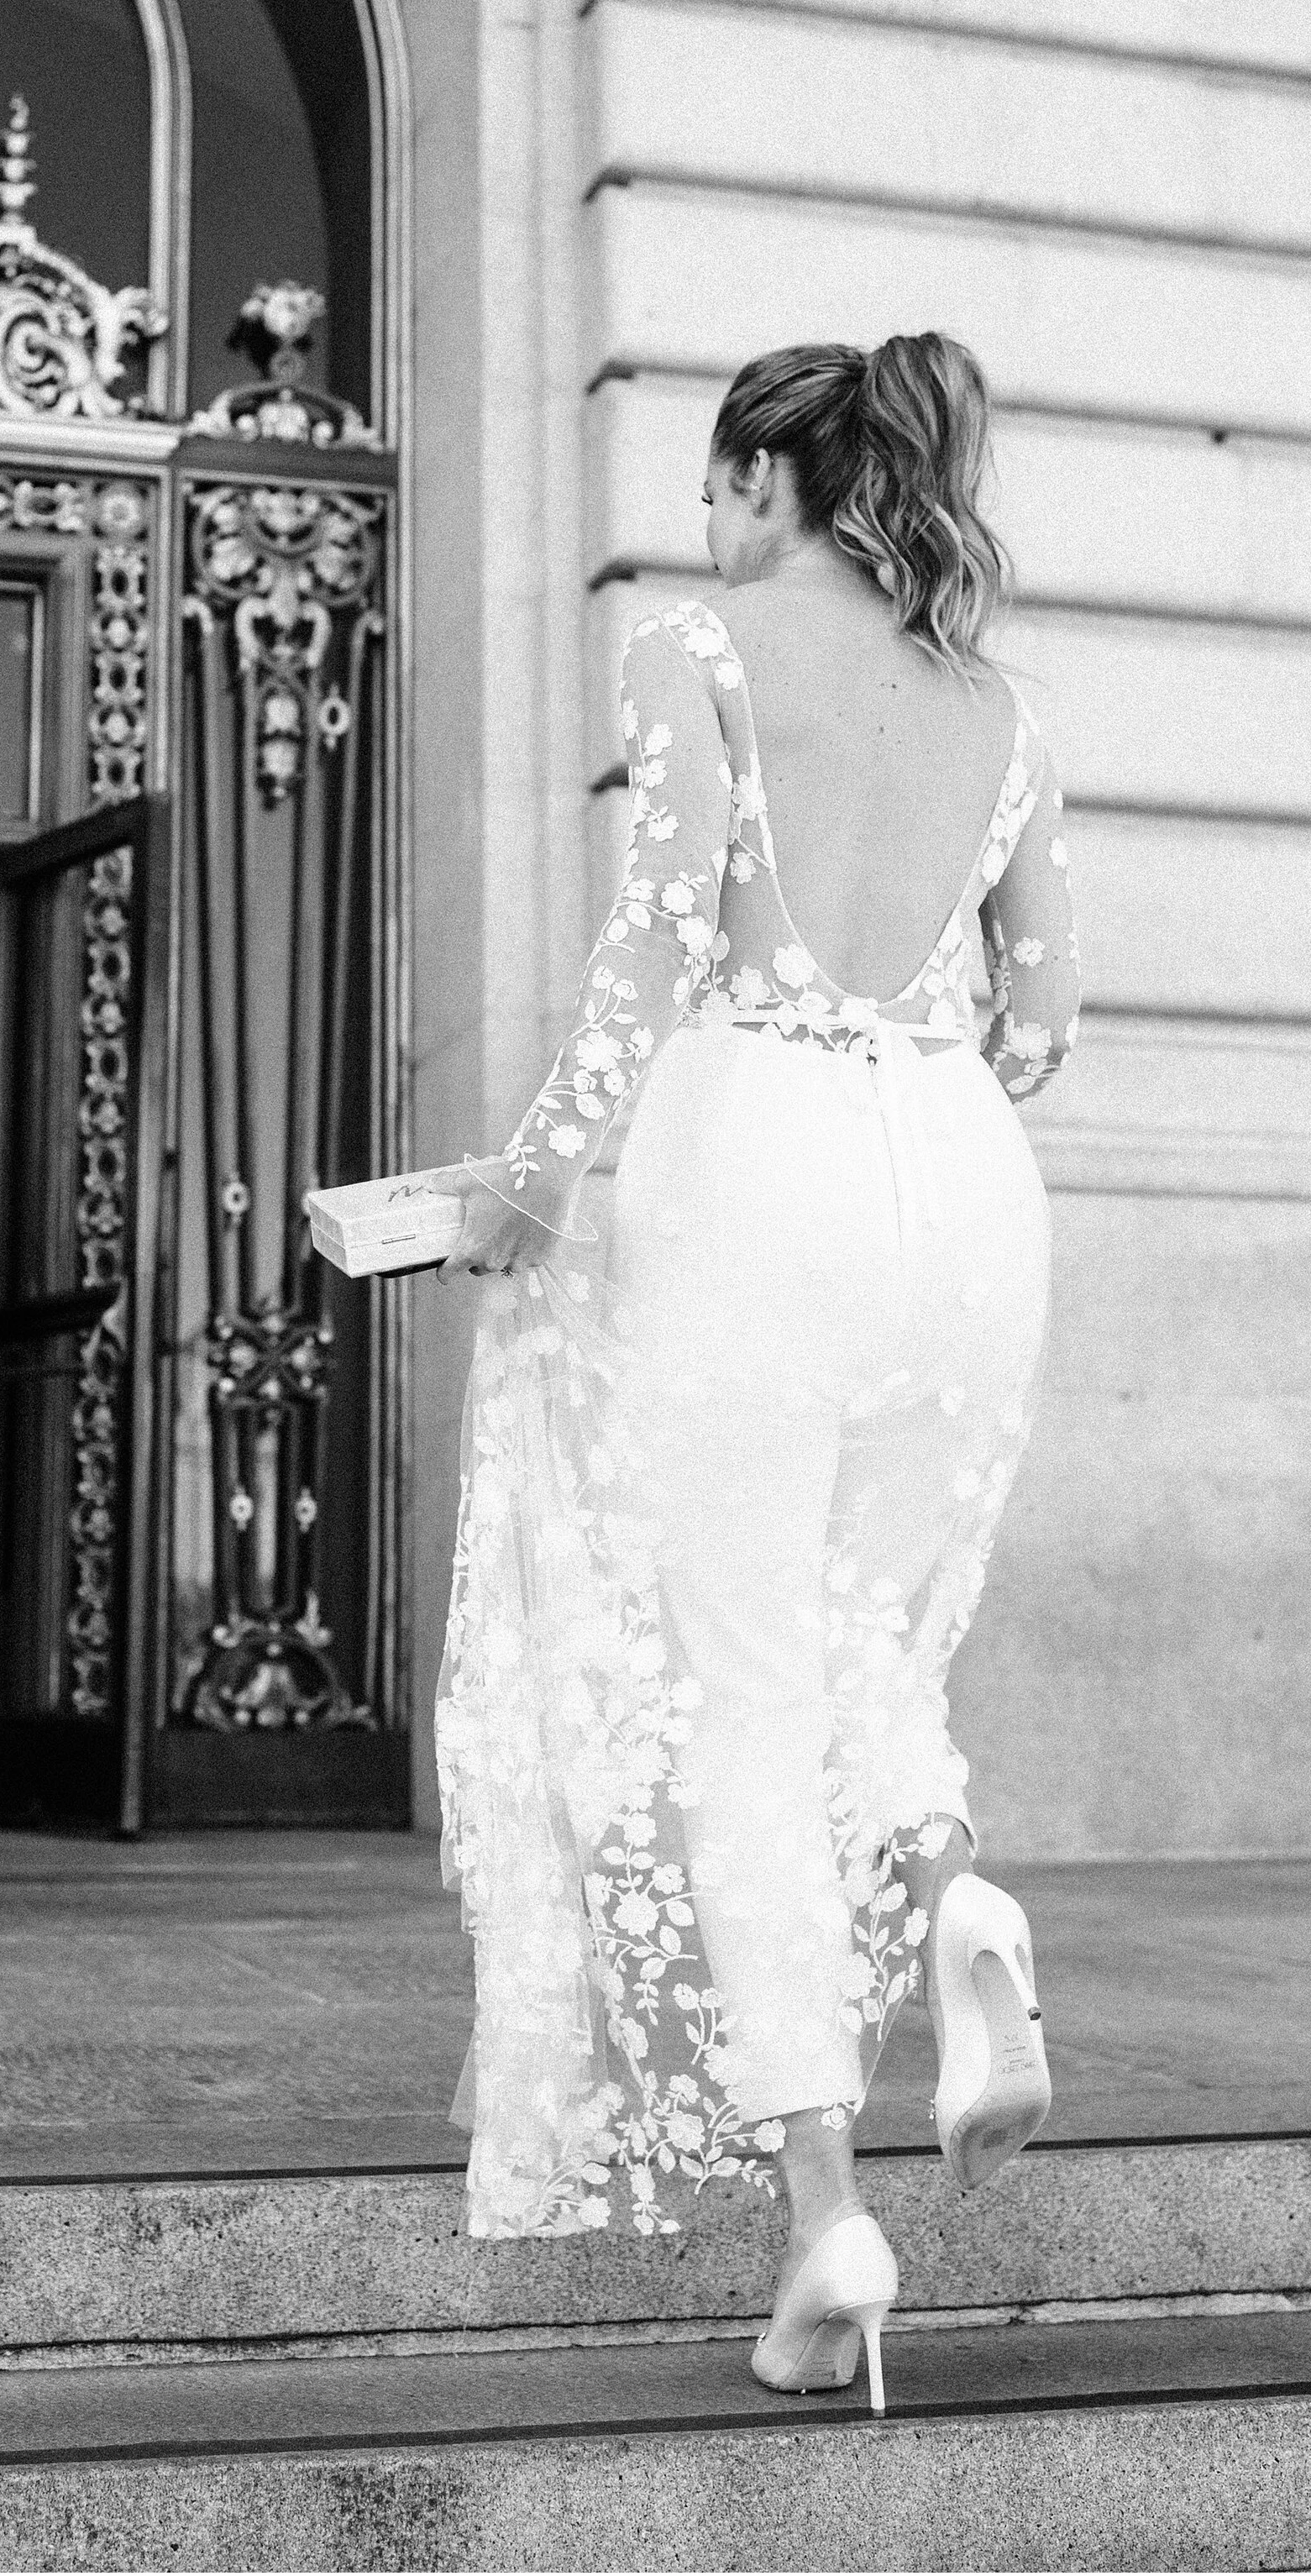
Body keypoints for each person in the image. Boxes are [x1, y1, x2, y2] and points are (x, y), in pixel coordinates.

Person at [435, 333, 1079, 2414]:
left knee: (736, 1685)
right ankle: (959, 1899)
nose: (705, 521)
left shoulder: (692, 651)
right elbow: (1043, 1022)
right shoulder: (1004, 714)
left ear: (766, 480)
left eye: (721, 484)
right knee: (872, 1646)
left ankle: (823, 2220)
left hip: (757, 1162)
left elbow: (648, 949)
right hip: (963, 1196)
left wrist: (537, 1172)